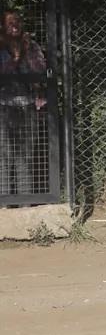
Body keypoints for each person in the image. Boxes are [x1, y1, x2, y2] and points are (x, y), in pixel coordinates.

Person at [0, 11, 46, 197]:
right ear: (3, 26)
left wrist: (26, 53)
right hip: (4, 107)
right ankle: (4, 203)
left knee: (24, 158)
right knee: (4, 158)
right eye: (10, 22)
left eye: (18, 21)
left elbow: (41, 71)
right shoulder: (1, 47)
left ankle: (25, 203)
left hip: (27, 106)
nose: (15, 25)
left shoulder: (31, 46)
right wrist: (15, 59)